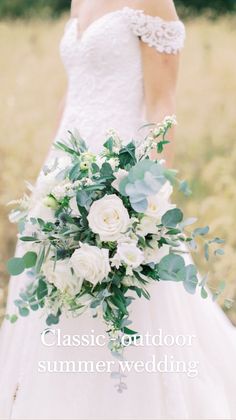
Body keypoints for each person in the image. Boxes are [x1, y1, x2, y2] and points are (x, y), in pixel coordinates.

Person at [0, 1, 236, 419]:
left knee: (130, 309)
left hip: (120, 177)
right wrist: (45, 185)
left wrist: (141, 201)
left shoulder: (152, 1)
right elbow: (73, 94)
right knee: (52, 303)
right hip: (61, 177)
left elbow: (163, 106)